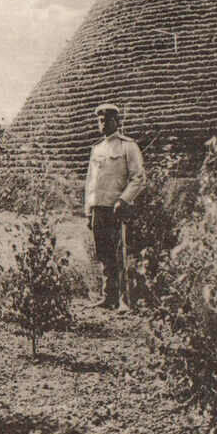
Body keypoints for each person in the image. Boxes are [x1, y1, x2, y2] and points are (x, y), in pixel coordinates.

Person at [84, 103, 146, 310]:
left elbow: (138, 178)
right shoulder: (97, 148)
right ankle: (108, 297)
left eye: (106, 120)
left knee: (122, 253)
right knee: (104, 254)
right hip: (98, 208)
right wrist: (88, 209)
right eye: (99, 120)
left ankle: (125, 300)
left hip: (117, 208)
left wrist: (123, 200)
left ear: (116, 121)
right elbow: (90, 182)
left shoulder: (128, 146)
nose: (102, 124)